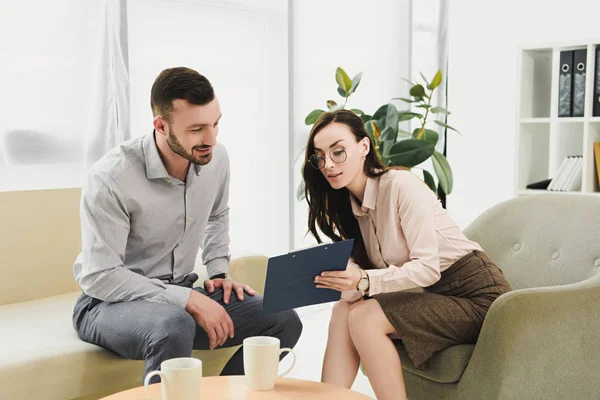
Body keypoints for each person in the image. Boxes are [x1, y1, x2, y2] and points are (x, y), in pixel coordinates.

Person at [72, 67, 302, 383]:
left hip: (178, 292)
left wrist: (219, 272)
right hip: (108, 304)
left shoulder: (215, 158)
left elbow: (217, 216)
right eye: (196, 129)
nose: (211, 139)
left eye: (215, 124)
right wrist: (188, 299)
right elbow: (100, 276)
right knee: (175, 323)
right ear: (161, 126)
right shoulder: (112, 178)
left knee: (282, 320)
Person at [302, 109, 511, 400]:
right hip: (430, 296)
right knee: (343, 311)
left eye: (338, 152)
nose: (328, 164)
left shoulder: (401, 186)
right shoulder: (352, 208)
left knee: (365, 318)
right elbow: (374, 278)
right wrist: (344, 281)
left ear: (364, 147)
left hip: (477, 297)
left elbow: (427, 269)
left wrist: (362, 280)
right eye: (320, 156)